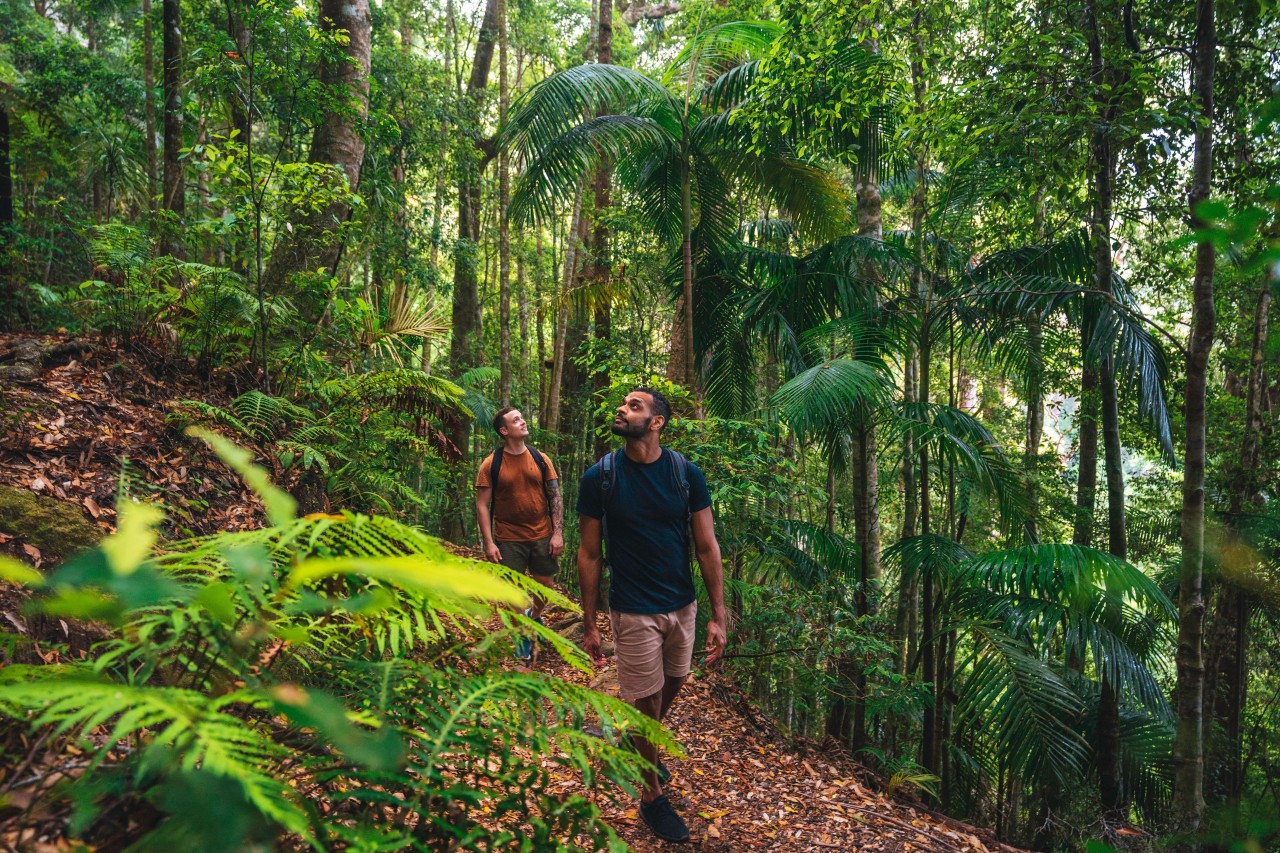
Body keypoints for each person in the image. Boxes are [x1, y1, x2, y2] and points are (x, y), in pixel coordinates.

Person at [576, 387, 727, 844]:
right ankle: (651, 796)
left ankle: (633, 741)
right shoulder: (600, 478)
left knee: (674, 681)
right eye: (624, 404)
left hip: (682, 604)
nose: (622, 410)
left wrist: (718, 615)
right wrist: (590, 623)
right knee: (646, 699)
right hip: (632, 608)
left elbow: (706, 546)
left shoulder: (685, 474)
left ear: (657, 422)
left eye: (634, 406)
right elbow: (589, 553)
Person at [475, 406, 565, 660]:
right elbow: (482, 505)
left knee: (545, 585)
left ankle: (534, 616)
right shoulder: (491, 464)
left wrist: (557, 533)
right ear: (504, 431)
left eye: (522, 418)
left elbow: (555, 497)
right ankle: (522, 635)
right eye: (516, 420)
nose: (523, 422)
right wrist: (489, 542)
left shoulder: (540, 458)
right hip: (508, 537)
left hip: (542, 534)